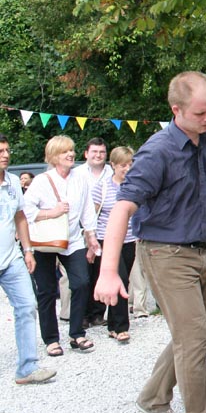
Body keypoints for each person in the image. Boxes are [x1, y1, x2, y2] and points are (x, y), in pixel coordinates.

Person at [93, 71, 206, 413]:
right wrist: (108, 272)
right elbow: (122, 208)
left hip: (200, 251)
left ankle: (153, 398)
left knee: (194, 335)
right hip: (164, 253)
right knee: (193, 338)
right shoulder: (156, 152)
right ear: (176, 109)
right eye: (200, 113)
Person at [23, 135, 100, 356]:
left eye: (71, 150)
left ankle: (77, 333)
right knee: (47, 290)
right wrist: (52, 212)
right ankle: (51, 339)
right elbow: (26, 210)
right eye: (65, 151)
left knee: (81, 282)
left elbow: (87, 208)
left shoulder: (80, 178)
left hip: (73, 240)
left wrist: (91, 236)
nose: (71, 154)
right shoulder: (41, 181)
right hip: (45, 241)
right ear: (54, 156)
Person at [0, 134, 56, 385]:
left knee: (26, 306)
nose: (5, 155)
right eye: (0, 151)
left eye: (7, 150)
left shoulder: (13, 181)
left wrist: (28, 250)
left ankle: (27, 368)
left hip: (11, 259)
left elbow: (20, 217)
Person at [93, 146, 136, 343]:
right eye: (122, 165)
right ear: (113, 165)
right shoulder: (102, 188)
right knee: (120, 278)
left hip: (130, 239)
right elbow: (93, 214)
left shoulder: (135, 186)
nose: (127, 169)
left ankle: (112, 323)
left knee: (124, 280)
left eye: (130, 164)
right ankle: (121, 327)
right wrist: (92, 240)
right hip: (108, 239)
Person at [73, 137, 113, 329]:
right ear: (86, 154)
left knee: (100, 271)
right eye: (94, 152)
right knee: (82, 274)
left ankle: (97, 313)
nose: (98, 155)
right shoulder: (77, 173)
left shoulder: (112, 173)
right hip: (81, 229)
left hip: (105, 230)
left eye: (102, 152)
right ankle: (81, 315)